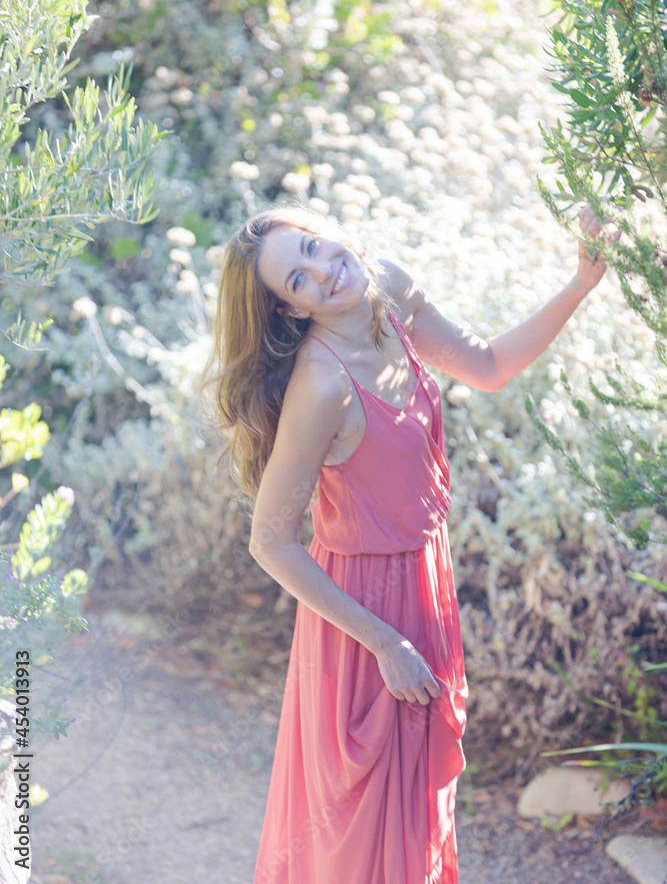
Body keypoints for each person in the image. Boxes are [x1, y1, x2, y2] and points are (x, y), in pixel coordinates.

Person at [201, 201, 616, 884]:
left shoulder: (386, 288)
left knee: (419, 805)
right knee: (361, 828)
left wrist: (579, 283)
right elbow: (270, 541)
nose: (324, 271)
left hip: (426, 579)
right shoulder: (321, 384)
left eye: (313, 246)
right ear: (289, 311)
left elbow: (485, 366)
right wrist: (383, 642)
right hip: (361, 619)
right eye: (297, 280)